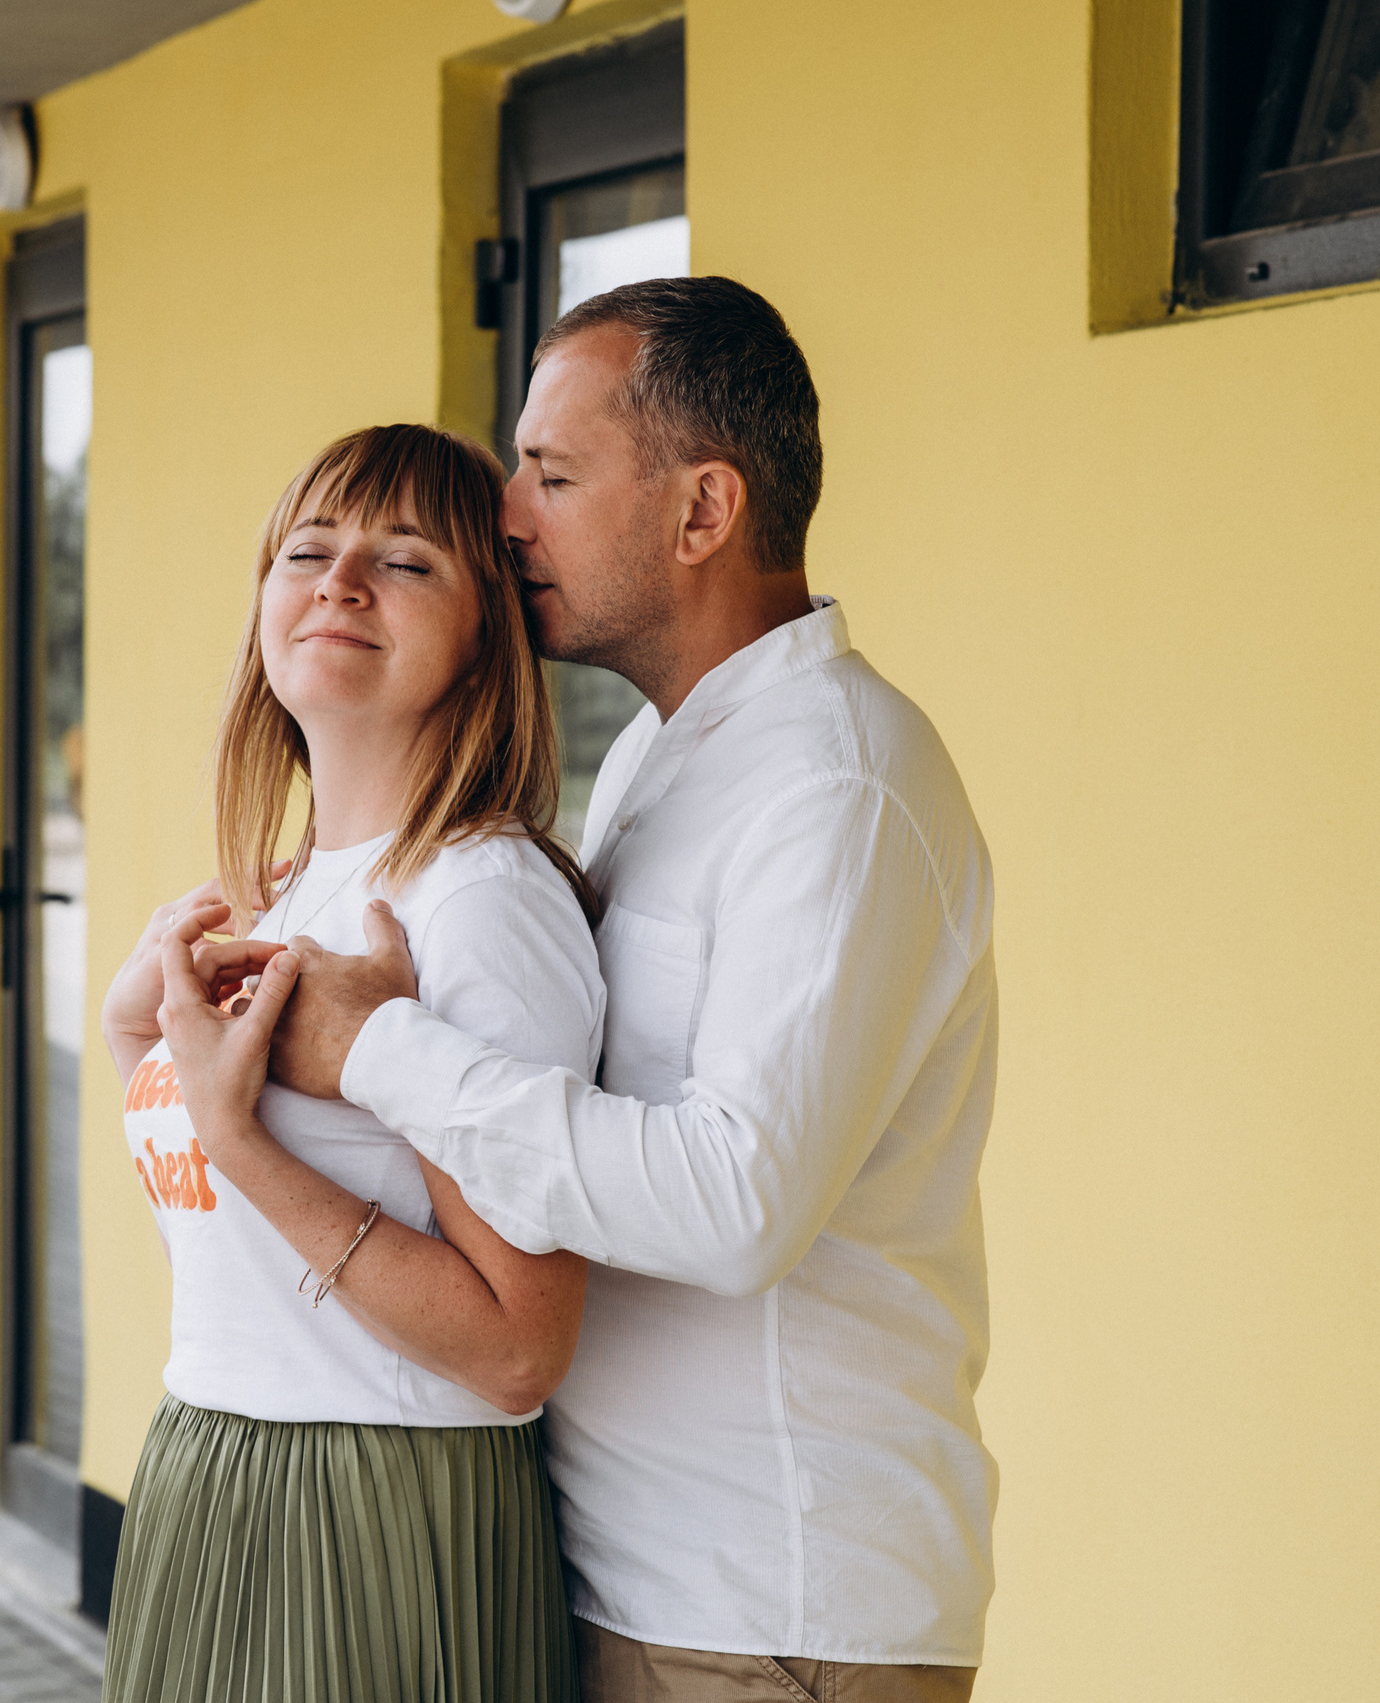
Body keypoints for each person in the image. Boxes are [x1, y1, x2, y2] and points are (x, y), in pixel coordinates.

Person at [266, 278, 1000, 1702]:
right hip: (646, 1578)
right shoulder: (674, 758)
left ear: (702, 509)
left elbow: (735, 1204)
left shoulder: (835, 780)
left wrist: (377, 1049)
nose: (509, 516)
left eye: (551, 473)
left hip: (773, 1610)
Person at [95, 422, 606, 1702]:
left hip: (373, 1497)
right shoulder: (272, 892)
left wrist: (241, 1135)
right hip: (208, 1466)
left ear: (488, 628)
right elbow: (242, 1263)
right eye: (309, 550)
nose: (338, 582)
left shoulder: (478, 900)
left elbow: (512, 1349)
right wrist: (132, 1045)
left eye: (407, 560)